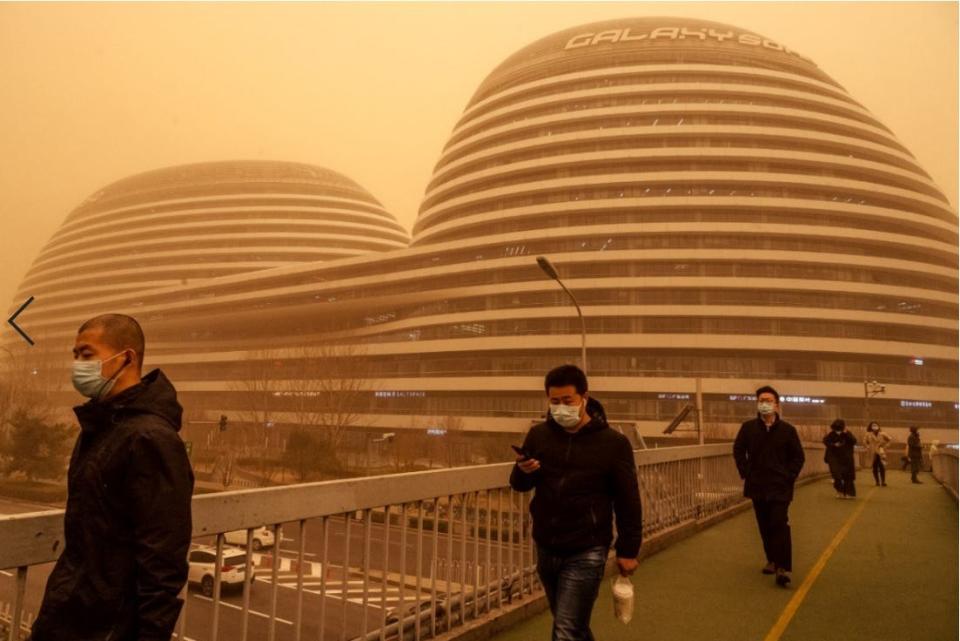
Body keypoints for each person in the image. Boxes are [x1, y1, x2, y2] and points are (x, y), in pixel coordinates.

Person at [29, 314, 194, 641]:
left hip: (107, 628)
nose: (77, 364)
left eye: (87, 354)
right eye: (75, 355)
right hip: (69, 615)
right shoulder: (102, 427)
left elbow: (162, 559)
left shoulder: (150, 439)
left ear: (128, 358)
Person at [510, 364, 642, 641]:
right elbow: (520, 484)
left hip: (587, 547)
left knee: (566, 629)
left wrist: (628, 549)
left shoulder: (613, 443)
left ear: (584, 397)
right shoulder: (539, 435)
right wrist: (522, 470)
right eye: (554, 401)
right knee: (571, 623)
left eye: (567, 401)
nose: (560, 408)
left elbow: (628, 499)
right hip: (546, 543)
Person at [733, 385, 805, 587]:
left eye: (769, 400)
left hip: (780, 486)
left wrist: (789, 476)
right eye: (761, 400)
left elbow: (798, 457)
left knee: (779, 523)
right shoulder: (748, 428)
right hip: (757, 485)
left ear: (777, 405)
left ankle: (782, 567)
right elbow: (738, 450)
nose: (765, 404)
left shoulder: (788, 431)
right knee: (764, 524)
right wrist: (746, 472)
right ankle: (772, 560)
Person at [822, 419, 857, 499]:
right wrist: (834, 445)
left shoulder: (847, 433)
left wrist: (846, 433)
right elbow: (825, 441)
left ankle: (849, 493)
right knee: (836, 474)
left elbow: (854, 441)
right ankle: (840, 491)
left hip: (846, 458)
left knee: (847, 476)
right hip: (834, 457)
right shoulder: (831, 434)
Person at [864, 422, 892, 486]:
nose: (874, 427)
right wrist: (868, 447)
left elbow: (890, 440)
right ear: (870, 427)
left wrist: (886, 446)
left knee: (882, 466)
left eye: (876, 425)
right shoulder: (868, 434)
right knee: (875, 467)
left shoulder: (883, 434)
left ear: (878, 426)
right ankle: (877, 481)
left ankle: (883, 481)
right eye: (873, 426)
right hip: (872, 453)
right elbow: (865, 442)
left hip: (881, 452)